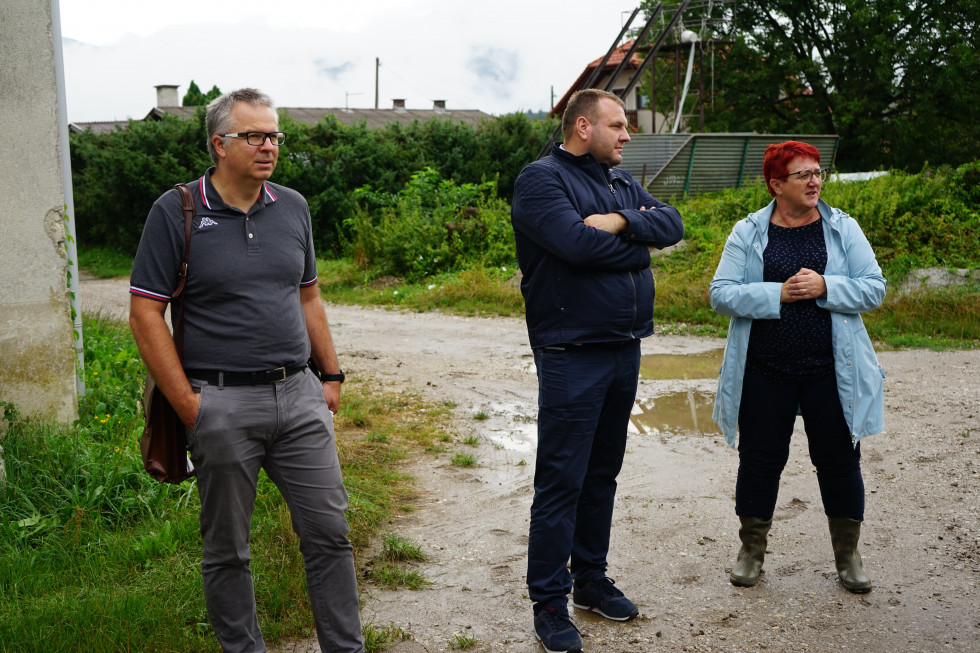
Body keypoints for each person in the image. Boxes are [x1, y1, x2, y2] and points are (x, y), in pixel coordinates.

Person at [129, 88, 364, 653]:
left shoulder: (293, 207)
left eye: (274, 135)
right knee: (228, 549)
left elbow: (308, 298)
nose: (268, 146)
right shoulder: (178, 209)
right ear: (219, 144)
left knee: (329, 535)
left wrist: (328, 377)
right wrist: (190, 405)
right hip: (221, 403)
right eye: (253, 136)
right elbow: (145, 312)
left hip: (298, 395)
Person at [511, 88, 684, 653]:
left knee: (602, 473)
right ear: (584, 127)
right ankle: (549, 602)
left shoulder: (618, 183)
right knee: (562, 479)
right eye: (618, 125)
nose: (627, 134)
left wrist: (616, 221)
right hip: (570, 351)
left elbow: (673, 224)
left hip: (622, 346)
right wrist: (636, 243)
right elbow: (574, 247)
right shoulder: (541, 180)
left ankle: (590, 579)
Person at [710, 140, 886, 594]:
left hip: (831, 369)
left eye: (818, 172)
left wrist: (827, 284)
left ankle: (848, 556)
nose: (814, 181)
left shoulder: (843, 228)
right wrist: (776, 294)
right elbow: (721, 293)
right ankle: (751, 551)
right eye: (802, 174)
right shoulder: (747, 231)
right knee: (760, 462)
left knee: (840, 462)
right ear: (775, 184)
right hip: (765, 369)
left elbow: (874, 288)